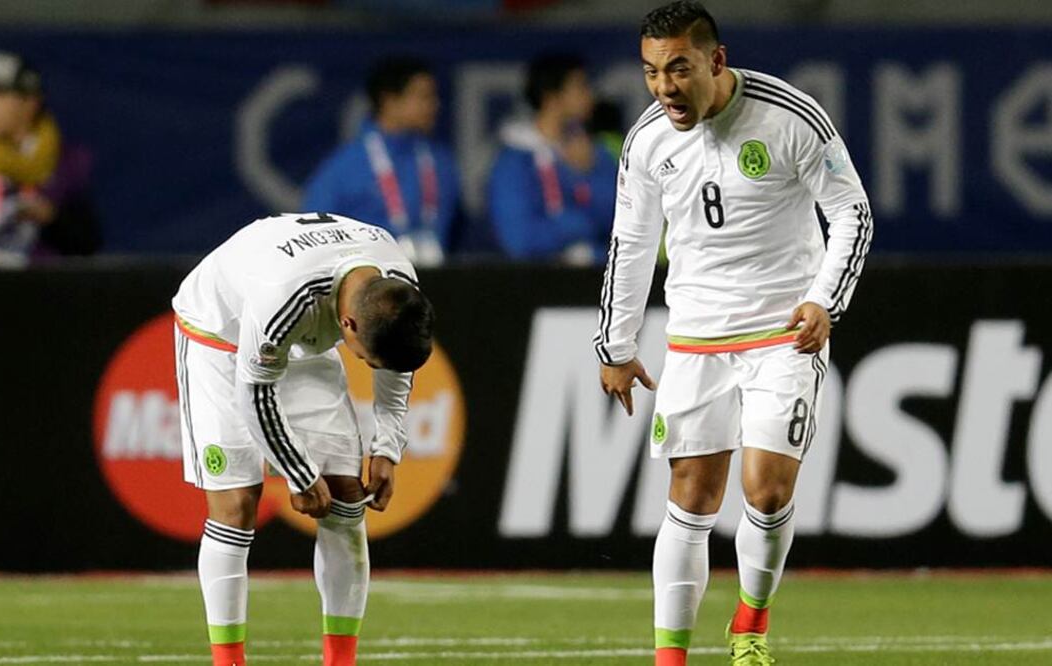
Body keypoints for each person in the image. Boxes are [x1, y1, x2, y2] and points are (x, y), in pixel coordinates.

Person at [593, 2, 872, 665]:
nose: (664, 88)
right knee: (689, 496)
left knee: (767, 488)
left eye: (678, 69)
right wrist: (616, 345)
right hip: (695, 335)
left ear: (715, 61)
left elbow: (849, 209)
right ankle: (671, 659)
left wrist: (823, 300)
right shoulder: (647, 140)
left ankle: (748, 624)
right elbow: (629, 245)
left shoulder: (790, 117)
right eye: (651, 72)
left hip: (783, 331)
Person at [171, 212, 435, 666]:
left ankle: (340, 661)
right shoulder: (284, 295)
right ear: (348, 325)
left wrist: (388, 447)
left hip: (302, 340)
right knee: (236, 505)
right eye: (368, 362)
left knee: (346, 497)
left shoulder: (397, 280)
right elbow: (255, 393)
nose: (372, 369)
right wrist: (298, 473)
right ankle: (228, 661)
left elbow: (397, 366)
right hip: (219, 336)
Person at [303, 57, 460, 267]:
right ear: (390, 101)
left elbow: (456, 226)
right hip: (370, 290)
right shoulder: (344, 168)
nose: (434, 105)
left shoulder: (440, 161)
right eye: (424, 97)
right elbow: (313, 236)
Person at [0, 51, 98, 267]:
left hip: (44, 289)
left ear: (30, 102)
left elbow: (89, 243)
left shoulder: (68, 161)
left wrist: (52, 218)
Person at [487, 53, 617, 265]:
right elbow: (519, 240)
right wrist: (578, 224)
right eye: (580, 87)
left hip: (596, 279)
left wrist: (586, 175)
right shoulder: (514, 161)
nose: (590, 96)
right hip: (536, 284)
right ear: (551, 97)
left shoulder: (595, 154)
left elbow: (622, 219)